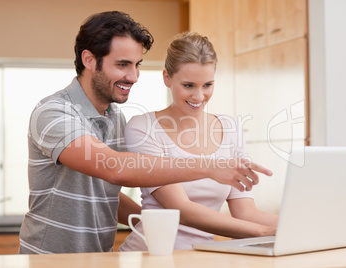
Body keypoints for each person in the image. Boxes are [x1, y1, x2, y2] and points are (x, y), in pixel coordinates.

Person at [19, 12, 272, 254]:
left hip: (98, 257)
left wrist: (153, 219)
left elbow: (104, 194)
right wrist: (209, 167)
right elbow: (115, 168)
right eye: (122, 64)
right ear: (88, 59)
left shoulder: (113, 117)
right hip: (50, 259)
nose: (134, 76)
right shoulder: (53, 113)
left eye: (137, 65)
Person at [119, 32, 279, 251]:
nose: (199, 96)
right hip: (150, 256)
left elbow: (245, 212)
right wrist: (263, 233)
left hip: (201, 258)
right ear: (167, 78)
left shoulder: (230, 129)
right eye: (188, 85)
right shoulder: (143, 128)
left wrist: (299, 225)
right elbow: (180, 210)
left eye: (207, 85)